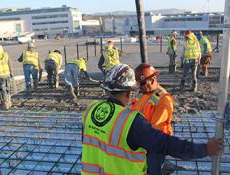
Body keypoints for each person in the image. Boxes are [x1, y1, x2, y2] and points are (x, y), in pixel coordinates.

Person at [81, 64, 223, 175]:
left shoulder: (90, 110)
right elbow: (165, 144)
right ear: (129, 92)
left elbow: (95, 142)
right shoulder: (131, 121)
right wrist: (205, 149)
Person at [132, 64, 173, 175]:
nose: (140, 87)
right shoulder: (142, 94)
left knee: (153, 170)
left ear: (152, 79)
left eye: (142, 83)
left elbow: (156, 129)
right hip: (142, 142)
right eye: (138, 84)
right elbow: (133, 111)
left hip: (155, 145)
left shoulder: (163, 99)